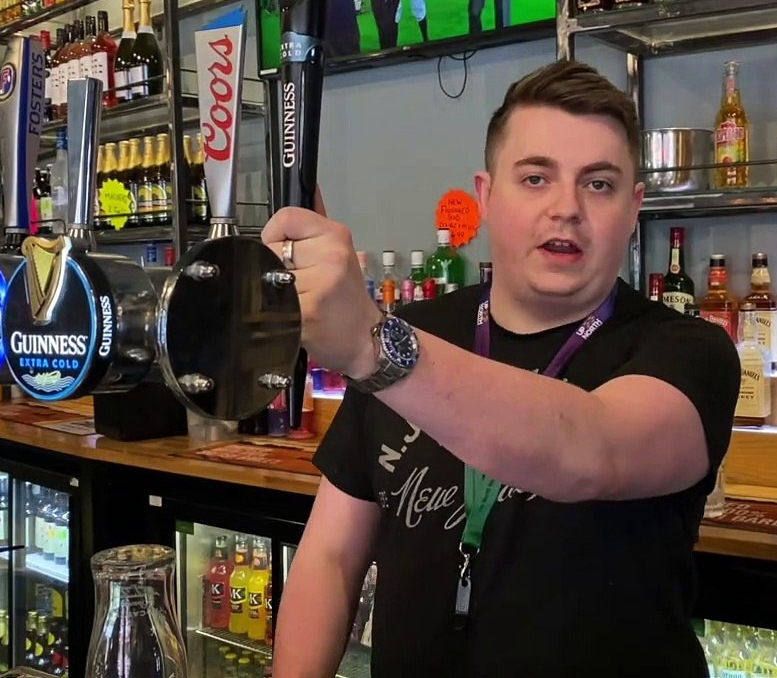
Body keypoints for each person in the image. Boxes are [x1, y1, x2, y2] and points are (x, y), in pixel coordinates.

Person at [263, 60, 740, 678]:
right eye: (536, 178)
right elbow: (330, 556)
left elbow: (593, 448)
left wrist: (370, 346)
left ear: (634, 208)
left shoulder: (688, 350)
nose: (566, 208)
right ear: (487, 196)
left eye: (599, 184)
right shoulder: (416, 332)